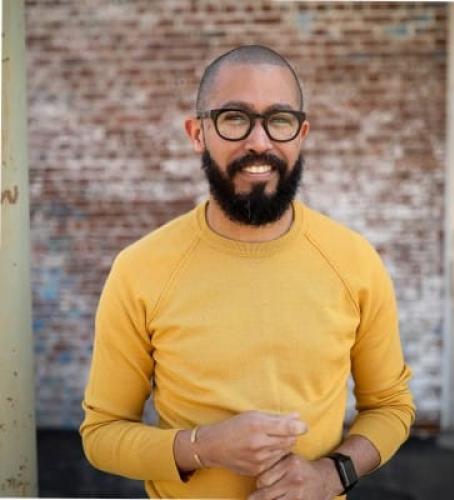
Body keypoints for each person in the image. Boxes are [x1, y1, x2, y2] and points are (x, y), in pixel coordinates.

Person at [80, 45, 415, 499]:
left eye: (279, 120)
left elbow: (391, 407)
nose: (259, 142)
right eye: (235, 118)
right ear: (198, 133)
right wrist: (202, 448)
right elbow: (101, 433)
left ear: (301, 134)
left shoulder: (354, 261)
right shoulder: (140, 269)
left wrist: (329, 476)